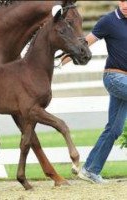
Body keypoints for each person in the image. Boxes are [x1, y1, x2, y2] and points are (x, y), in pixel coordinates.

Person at [62, 1, 127, 183]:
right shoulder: (108, 21)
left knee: (114, 129)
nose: (125, 4)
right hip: (115, 77)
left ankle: (90, 169)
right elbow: (84, 44)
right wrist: (57, 63)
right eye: (122, 1)